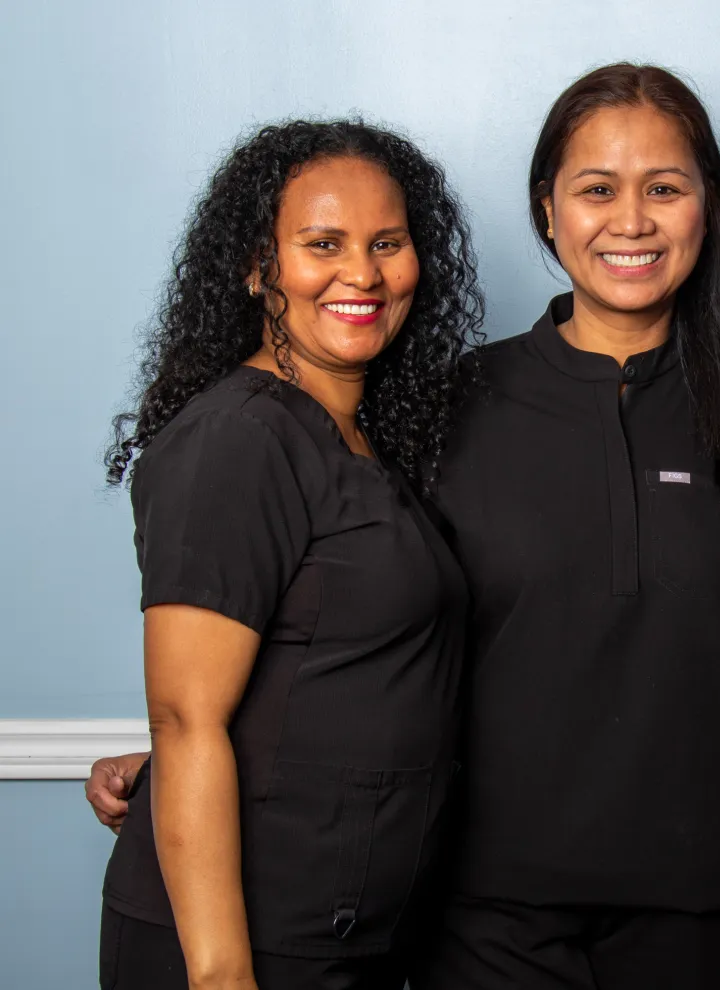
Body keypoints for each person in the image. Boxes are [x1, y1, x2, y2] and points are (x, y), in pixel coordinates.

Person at [88, 65, 720, 988]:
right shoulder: (447, 407)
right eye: (596, 190)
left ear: (708, 207)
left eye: (665, 188)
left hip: (702, 898)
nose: (632, 220)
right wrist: (196, 749)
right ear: (547, 211)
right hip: (477, 911)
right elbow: (360, 618)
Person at [95, 120, 482, 989]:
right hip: (247, 950)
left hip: (353, 931)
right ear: (257, 266)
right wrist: (223, 976)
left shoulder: (366, 441)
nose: (363, 273)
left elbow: (309, 673)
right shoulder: (239, 439)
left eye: (388, 242)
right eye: (322, 244)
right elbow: (187, 717)